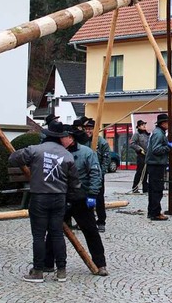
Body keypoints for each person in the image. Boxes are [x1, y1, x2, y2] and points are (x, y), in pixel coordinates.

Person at [8, 121, 79, 283]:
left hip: (40, 196)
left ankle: (38, 271)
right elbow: (74, 182)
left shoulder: (35, 150)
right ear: (61, 137)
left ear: (46, 135)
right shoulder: (67, 155)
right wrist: (71, 200)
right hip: (59, 197)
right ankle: (61, 270)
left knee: (39, 236)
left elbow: (13, 159)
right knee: (57, 234)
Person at [44, 125, 109, 278]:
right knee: (54, 231)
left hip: (81, 199)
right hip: (61, 197)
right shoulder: (56, 152)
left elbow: (95, 174)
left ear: (70, 138)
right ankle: (47, 263)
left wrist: (92, 194)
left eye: (62, 137)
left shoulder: (86, 153)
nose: (58, 140)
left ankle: (100, 263)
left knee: (91, 231)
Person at [83, 119, 111, 232]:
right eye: (86, 129)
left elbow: (106, 159)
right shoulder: (83, 141)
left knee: (99, 199)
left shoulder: (102, 142)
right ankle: (88, 221)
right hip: (85, 175)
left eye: (90, 129)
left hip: (97, 174)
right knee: (85, 198)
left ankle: (101, 221)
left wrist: (101, 172)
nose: (88, 131)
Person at [145, 113, 172, 221]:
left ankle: (152, 212)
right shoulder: (159, 134)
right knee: (157, 190)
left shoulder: (157, 132)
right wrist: (168, 147)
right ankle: (155, 213)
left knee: (153, 190)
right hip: (156, 164)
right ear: (163, 123)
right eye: (167, 122)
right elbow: (156, 150)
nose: (168, 125)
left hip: (154, 164)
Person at [130, 120, 150, 193]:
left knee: (146, 172)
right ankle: (135, 188)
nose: (144, 126)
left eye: (144, 124)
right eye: (142, 125)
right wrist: (139, 149)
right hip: (141, 156)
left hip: (147, 156)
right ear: (138, 127)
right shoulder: (137, 134)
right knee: (139, 172)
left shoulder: (147, 134)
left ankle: (145, 188)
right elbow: (132, 144)